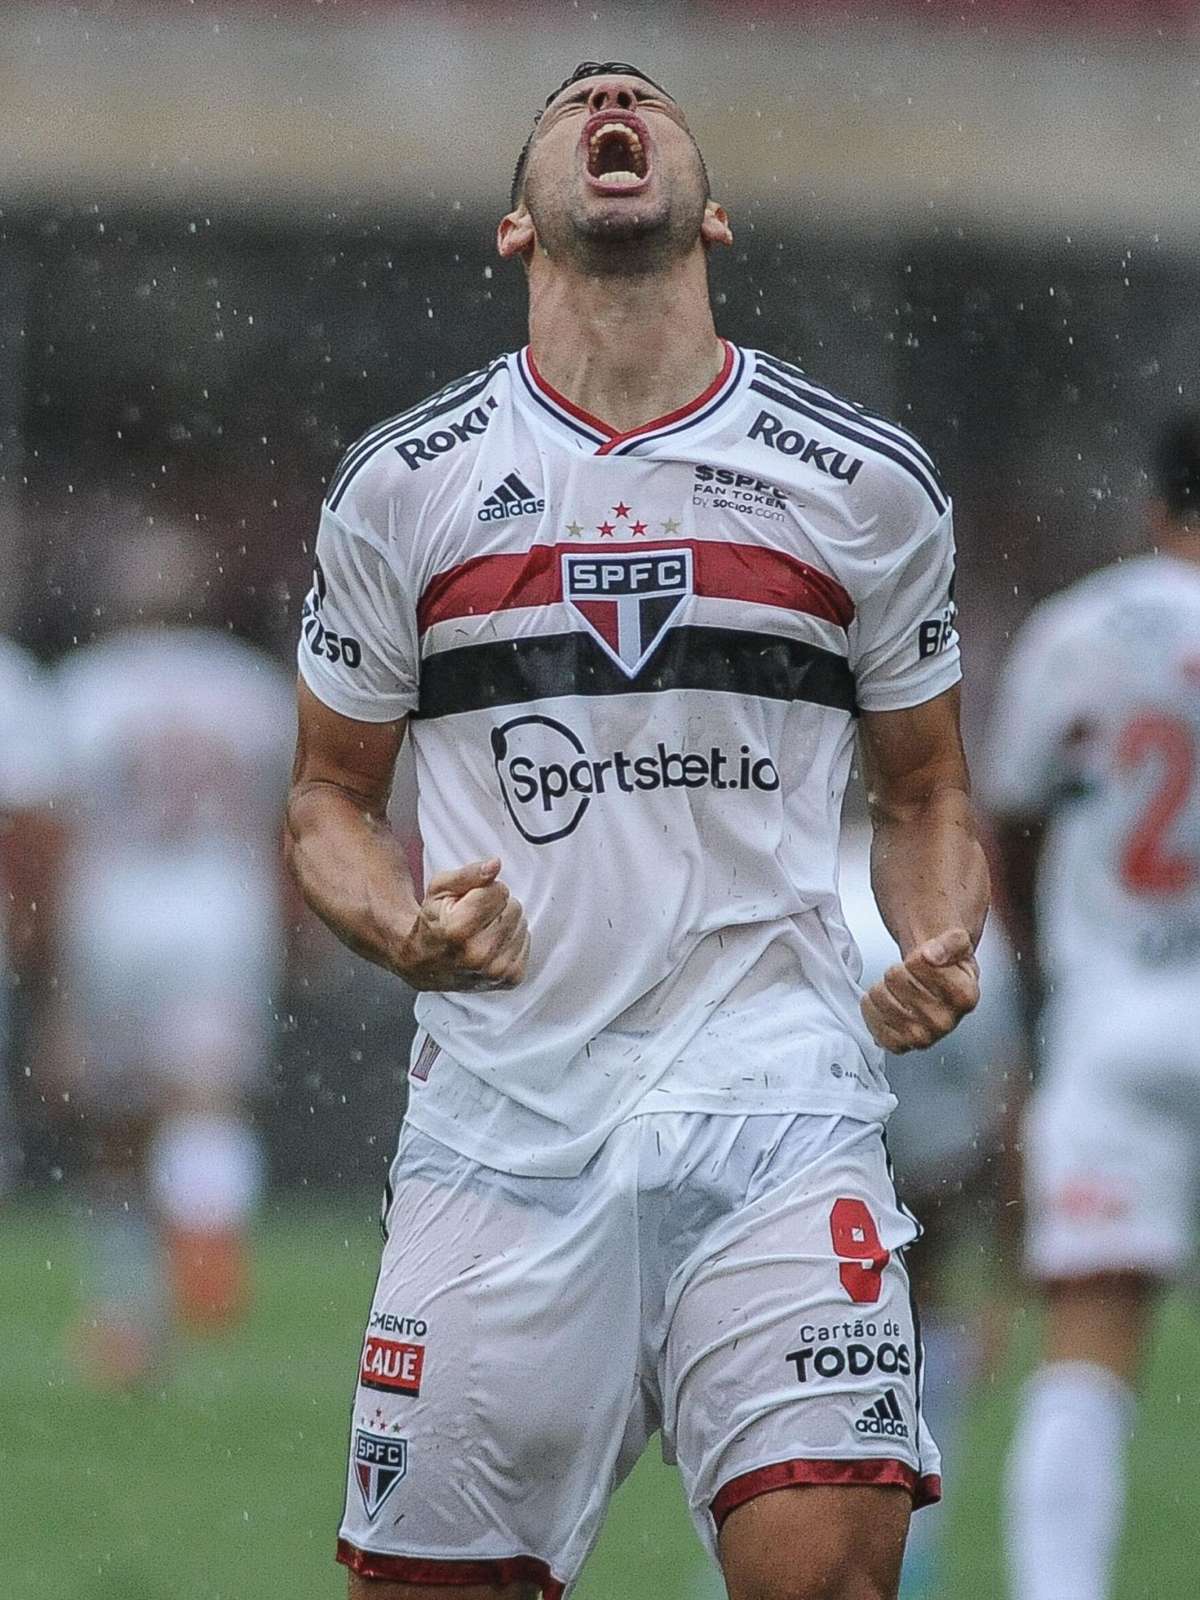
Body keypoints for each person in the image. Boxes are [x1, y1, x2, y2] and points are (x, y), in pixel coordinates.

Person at [288, 63, 988, 1600]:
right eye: (572, 100)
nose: (609, 93)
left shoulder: (862, 483)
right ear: (515, 227)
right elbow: (326, 800)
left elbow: (929, 793)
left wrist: (942, 936)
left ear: (713, 215)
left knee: (828, 1581)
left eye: (641, 96)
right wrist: (403, 925)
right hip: (505, 1126)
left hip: (777, 1105)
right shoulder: (404, 490)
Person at [987, 414, 1200, 1600]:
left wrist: (1042, 974)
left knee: (1091, 1336)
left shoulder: (1081, 629)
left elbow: (1013, 819)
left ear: (1159, 501)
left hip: (1116, 1018)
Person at [53, 519, 293, 1382]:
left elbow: (61, 829)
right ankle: (205, 1252)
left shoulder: (86, 685)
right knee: (206, 1100)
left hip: (113, 915)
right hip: (221, 912)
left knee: (114, 1125)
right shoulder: (251, 686)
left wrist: (50, 971)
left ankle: (123, 1312)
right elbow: (289, 823)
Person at [837, 824, 1021, 1600]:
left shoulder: (826, 878)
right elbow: (1003, 1116)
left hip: (812, 1122)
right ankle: (900, 1542)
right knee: (914, 1263)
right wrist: (1003, 1283)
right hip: (927, 1015)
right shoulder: (955, 915)